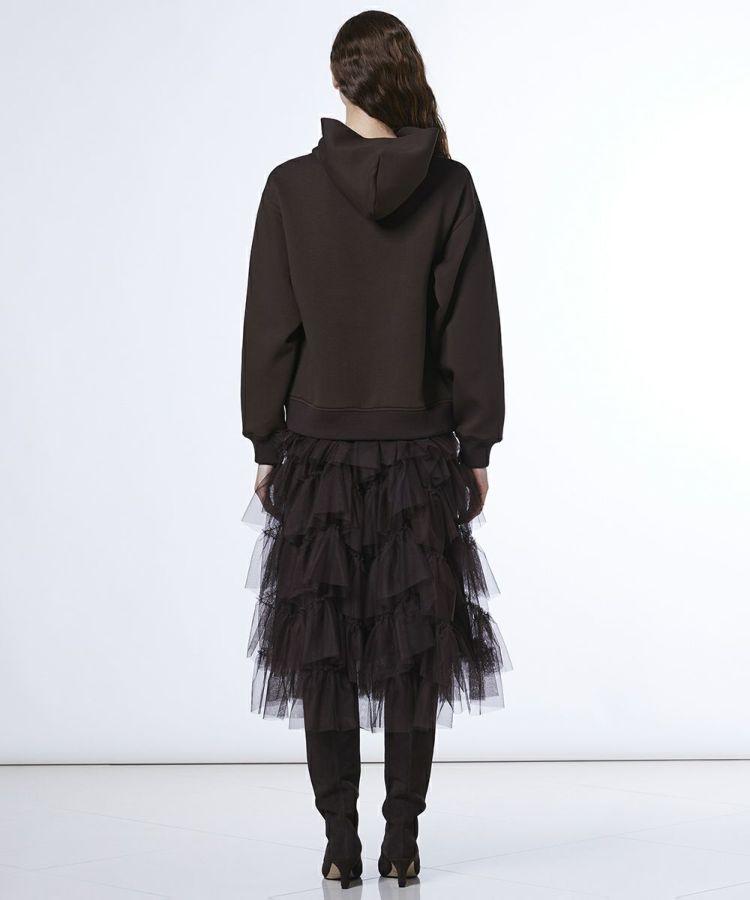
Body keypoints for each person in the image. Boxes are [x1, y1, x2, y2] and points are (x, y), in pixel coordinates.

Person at [240, 10, 512, 889]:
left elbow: (270, 327)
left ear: (337, 80)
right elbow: (471, 328)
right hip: (419, 451)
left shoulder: (290, 187)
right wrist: (477, 442)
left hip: (318, 450)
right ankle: (402, 840)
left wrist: (266, 438)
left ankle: (339, 842)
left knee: (322, 649)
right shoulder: (449, 185)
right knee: (411, 652)